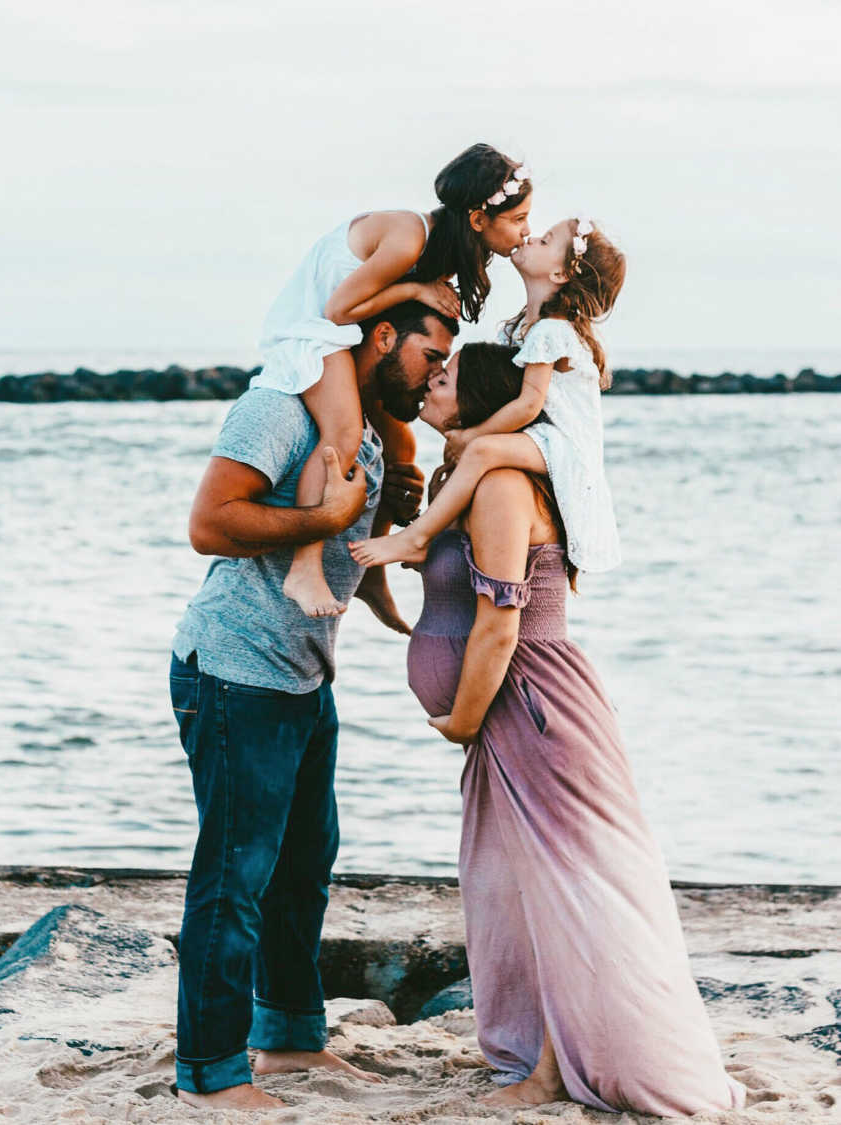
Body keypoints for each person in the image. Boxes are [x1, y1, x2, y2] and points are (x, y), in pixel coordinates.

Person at [404, 344, 747, 1115]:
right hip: (511, 709)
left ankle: (554, 1072)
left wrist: (460, 714)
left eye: (447, 376)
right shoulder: (466, 478)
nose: (432, 380)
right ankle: (540, 1049)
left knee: (567, 886)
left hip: (531, 700)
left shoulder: (498, 483)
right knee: (519, 886)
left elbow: (500, 623)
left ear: (484, 400)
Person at [168, 301, 458, 1111]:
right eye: (431, 352)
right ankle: (209, 1072)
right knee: (235, 876)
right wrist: (327, 513)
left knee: (303, 868)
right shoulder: (281, 409)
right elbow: (208, 522)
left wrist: (394, 512)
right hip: (233, 670)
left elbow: (351, 558)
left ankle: (290, 1039)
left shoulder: (362, 426)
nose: (437, 373)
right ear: (382, 336)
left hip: (300, 675)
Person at [251, 142, 532, 617]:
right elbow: (338, 310)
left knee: (397, 443)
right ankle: (305, 565)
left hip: (342, 330)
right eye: (519, 219)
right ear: (480, 220)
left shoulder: (443, 247)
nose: (527, 232)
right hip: (312, 329)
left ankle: (370, 577)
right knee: (342, 434)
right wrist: (415, 287)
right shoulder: (409, 236)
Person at [350, 218, 624, 576]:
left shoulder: (551, 330)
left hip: (563, 443)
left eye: (545, 241)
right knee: (466, 460)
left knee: (480, 452)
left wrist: (473, 436)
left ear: (559, 275)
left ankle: (416, 538)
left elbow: (529, 404)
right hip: (541, 435)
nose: (531, 235)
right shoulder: (527, 325)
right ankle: (437, 536)